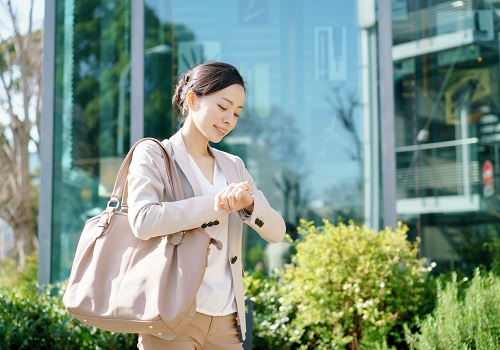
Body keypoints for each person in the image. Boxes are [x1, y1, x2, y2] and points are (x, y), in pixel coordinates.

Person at [127, 61, 286, 349]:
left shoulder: (233, 166)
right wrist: (215, 205)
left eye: (236, 113)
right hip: (171, 321)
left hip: (227, 322)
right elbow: (143, 220)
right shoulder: (153, 154)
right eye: (222, 107)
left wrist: (250, 205)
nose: (229, 119)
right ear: (192, 100)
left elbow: (277, 231)